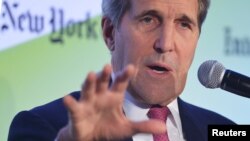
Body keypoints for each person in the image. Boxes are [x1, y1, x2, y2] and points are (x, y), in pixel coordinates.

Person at [8, 0, 235, 141]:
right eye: (149, 20)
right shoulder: (43, 126)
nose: (165, 43)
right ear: (110, 33)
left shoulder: (225, 129)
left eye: (183, 24)